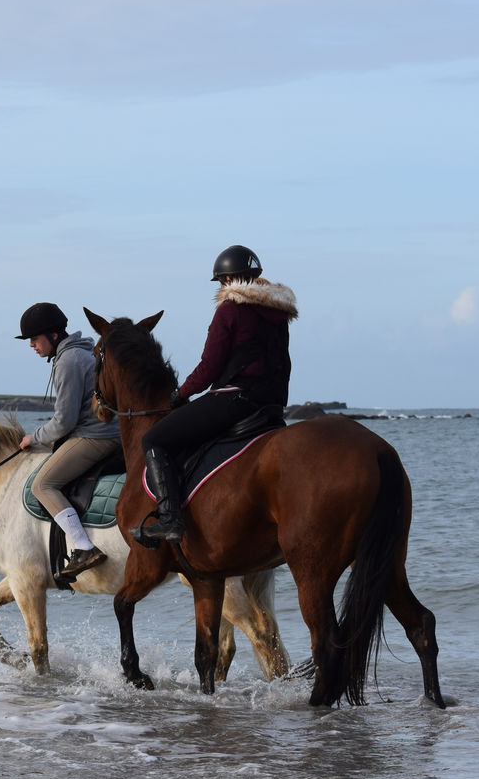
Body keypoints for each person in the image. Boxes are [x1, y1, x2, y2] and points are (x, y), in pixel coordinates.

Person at [135, 246, 297, 544]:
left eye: (222, 281)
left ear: (228, 280)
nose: (222, 287)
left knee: (153, 439)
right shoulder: (278, 314)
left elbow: (210, 367)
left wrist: (180, 394)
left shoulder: (230, 309)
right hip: (271, 405)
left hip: (235, 400)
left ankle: (170, 519)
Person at [15, 301, 122, 580]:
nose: (31, 346)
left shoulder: (68, 361)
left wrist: (33, 438)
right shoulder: (79, 353)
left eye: (34, 339)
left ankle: (85, 548)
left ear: (53, 336)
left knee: (43, 484)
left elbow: (64, 422)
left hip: (95, 437)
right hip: (105, 432)